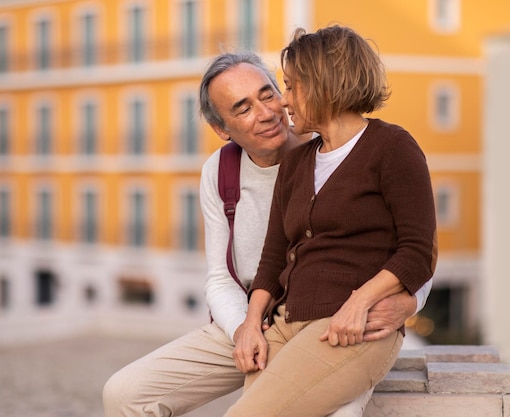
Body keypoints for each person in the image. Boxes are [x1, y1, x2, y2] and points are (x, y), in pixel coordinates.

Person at [102, 51, 433, 417]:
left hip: (336, 317)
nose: (268, 112)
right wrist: (244, 328)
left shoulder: (346, 146)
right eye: (243, 108)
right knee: (124, 394)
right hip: (252, 318)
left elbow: (417, 247)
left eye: (269, 93)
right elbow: (221, 277)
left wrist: (407, 303)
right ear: (222, 129)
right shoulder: (220, 172)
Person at [224, 26, 437, 417]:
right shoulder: (296, 162)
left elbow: (418, 253)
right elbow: (273, 259)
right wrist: (252, 323)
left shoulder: (392, 148)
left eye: (292, 87)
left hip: (351, 329)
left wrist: (361, 300)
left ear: (324, 83)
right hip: (285, 325)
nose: (284, 102)